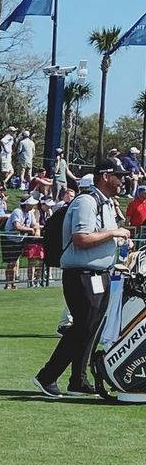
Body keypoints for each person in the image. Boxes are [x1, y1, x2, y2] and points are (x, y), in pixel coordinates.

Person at [33, 159, 132, 398]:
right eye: (118, 175)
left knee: (90, 330)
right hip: (82, 274)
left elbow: (102, 237)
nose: (122, 181)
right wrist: (114, 232)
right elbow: (81, 238)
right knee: (81, 327)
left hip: (100, 273)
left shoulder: (106, 203)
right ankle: (47, 376)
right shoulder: (87, 201)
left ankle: (78, 380)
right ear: (105, 176)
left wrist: (119, 240)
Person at [1, 195, 33, 290]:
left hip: (20, 240)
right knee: (11, 263)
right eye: (30, 204)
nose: (32, 205)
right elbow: (17, 226)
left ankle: (12, 283)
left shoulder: (30, 213)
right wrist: (30, 230)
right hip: (10, 240)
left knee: (14, 262)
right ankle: (9, 283)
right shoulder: (17, 212)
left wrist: (36, 228)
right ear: (26, 204)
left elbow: (34, 224)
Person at [19, 197, 45, 286]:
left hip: (40, 240)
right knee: (32, 262)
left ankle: (37, 279)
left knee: (42, 261)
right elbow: (34, 225)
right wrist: (34, 230)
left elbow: (35, 224)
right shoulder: (34, 212)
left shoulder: (35, 213)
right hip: (32, 240)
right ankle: (31, 281)